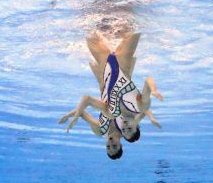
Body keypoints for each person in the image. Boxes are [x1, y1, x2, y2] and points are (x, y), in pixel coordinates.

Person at [58, 25, 163, 159]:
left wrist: (70, 116)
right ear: (121, 144)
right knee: (128, 27)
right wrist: (151, 115)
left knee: (92, 30)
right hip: (120, 74)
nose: (110, 143)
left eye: (108, 146)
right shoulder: (126, 122)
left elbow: (84, 110)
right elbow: (142, 110)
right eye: (114, 146)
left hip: (104, 80)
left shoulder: (102, 129)